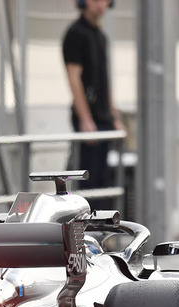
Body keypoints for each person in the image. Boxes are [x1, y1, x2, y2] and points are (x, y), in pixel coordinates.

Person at [62, 0, 124, 211]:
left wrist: (113, 115)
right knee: (87, 183)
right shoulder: (76, 33)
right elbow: (74, 78)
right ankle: (84, 236)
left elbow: (104, 80)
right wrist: (86, 119)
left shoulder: (100, 36)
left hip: (103, 118)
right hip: (89, 120)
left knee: (102, 180)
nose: (100, 4)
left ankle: (100, 236)